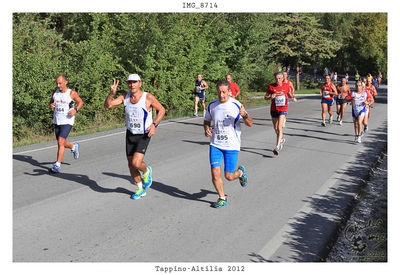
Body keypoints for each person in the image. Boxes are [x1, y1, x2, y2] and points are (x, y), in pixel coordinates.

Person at [104, 74, 165, 200]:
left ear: (140, 83)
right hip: (130, 133)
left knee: (136, 163)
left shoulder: (148, 97)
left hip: (144, 133)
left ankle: (146, 171)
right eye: (129, 83)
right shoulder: (124, 97)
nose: (132, 85)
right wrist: (111, 94)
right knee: (131, 165)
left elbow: (162, 110)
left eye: (134, 82)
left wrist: (154, 125)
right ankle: (139, 188)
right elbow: (108, 106)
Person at [204, 80, 253, 208]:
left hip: (232, 145)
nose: (221, 95)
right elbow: (207, 120)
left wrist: (245, 115)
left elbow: (250, 123)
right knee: (215, 171)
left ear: (229, 91)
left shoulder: (236, 105)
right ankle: (222, 197)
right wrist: (206, 128)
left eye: (224, 92)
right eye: (219, 92)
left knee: (229, 176)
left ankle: (240, 173)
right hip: (215, 143)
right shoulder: (212, 105)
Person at [49, 75, 84, 173]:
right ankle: (73, 147)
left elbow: (80, 102)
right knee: (62, 142)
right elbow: (51, 103)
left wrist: (75, 110)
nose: (58, 85)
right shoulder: (55, 93)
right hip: (57, 120)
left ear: (65, 82)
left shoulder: (72, 93)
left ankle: (57, 165)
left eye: (60, 83)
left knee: (60, 141)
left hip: (67, 121)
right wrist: (51, 105)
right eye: (57, 83)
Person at [265, 72, 294, 155]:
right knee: (275, 128)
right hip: (274, 109)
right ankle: (280, 139)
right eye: (276, 78)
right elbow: (265, 97)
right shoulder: (271, 86)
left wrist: (292, 97)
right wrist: (271, 97)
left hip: (283, 108)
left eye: (279, 78)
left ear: (282, 78)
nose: (278, 80)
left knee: (279, 127)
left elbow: (289, 93)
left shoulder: (286, 86)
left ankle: (277, 147)